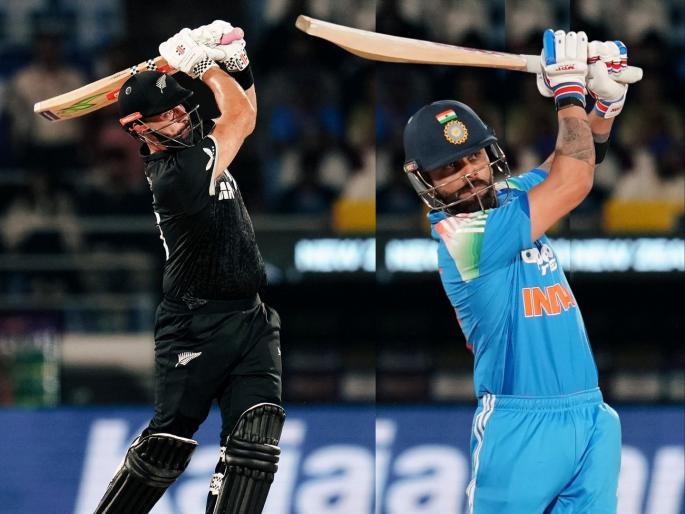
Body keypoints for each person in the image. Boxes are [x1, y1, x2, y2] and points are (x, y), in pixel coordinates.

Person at [402, 31, 637, 514]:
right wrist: (568, 92)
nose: (469, 173)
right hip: (519, 424)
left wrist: (605, 103)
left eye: (473, 157)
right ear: (427, 183)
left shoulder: (509, 198)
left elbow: (570, 160)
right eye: (450, 168)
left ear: (490, 154)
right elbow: (574, 181)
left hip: (591, 414)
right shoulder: (463, 236)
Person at [92, 22, 284, 514]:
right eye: (167, 113)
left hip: (250, 318)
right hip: (194, 325)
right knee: (166, 445)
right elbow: (238, 117)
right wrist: (204, 67)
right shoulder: (174, 174)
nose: (181, 115)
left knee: (256, 439)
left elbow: (244, 116)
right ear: (139, 128)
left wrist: (239, 66)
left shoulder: (197, 153)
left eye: (181, 106)